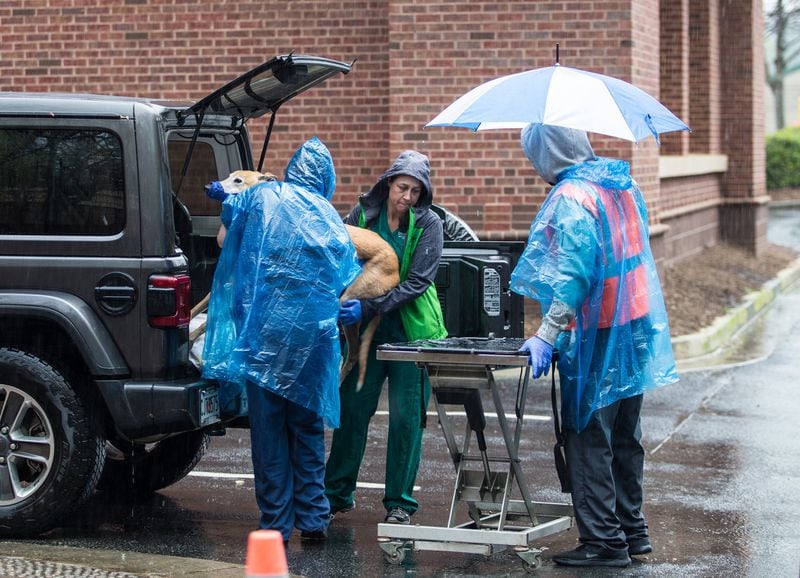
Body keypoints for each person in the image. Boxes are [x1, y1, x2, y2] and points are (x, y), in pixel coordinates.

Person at [510, 124, 679, 568]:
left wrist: (547, 334)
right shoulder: (620, 184)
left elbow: (574, 275)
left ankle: (604, 542)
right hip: (634, 324)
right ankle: (632, 531)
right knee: (625, 433)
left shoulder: (571, 198)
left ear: (545, 154)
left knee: (588, 434)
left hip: (597, 332)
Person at [202, 136, 361, 544]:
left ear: (291, 170)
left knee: (269, 431)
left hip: (265, 337)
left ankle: (276, 522)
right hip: (313, 340)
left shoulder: (264, 197)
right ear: (326, 182)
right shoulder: (328, 217)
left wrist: (229, 198)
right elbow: (345, 274)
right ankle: (313, 518)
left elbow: (224, 242)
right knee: (306, 426)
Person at [324, 150, 447, 525]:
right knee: (352, 409)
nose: (407, 197)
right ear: (389, 183)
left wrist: (369, 307)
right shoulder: (362, 216)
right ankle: (336, 494)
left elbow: (417, 282)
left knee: (406, 419)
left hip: (412, 333)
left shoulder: (428, 224)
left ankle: (399, 503)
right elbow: (338, 257)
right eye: (402, 187)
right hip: (368, 334)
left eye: (415, 191)